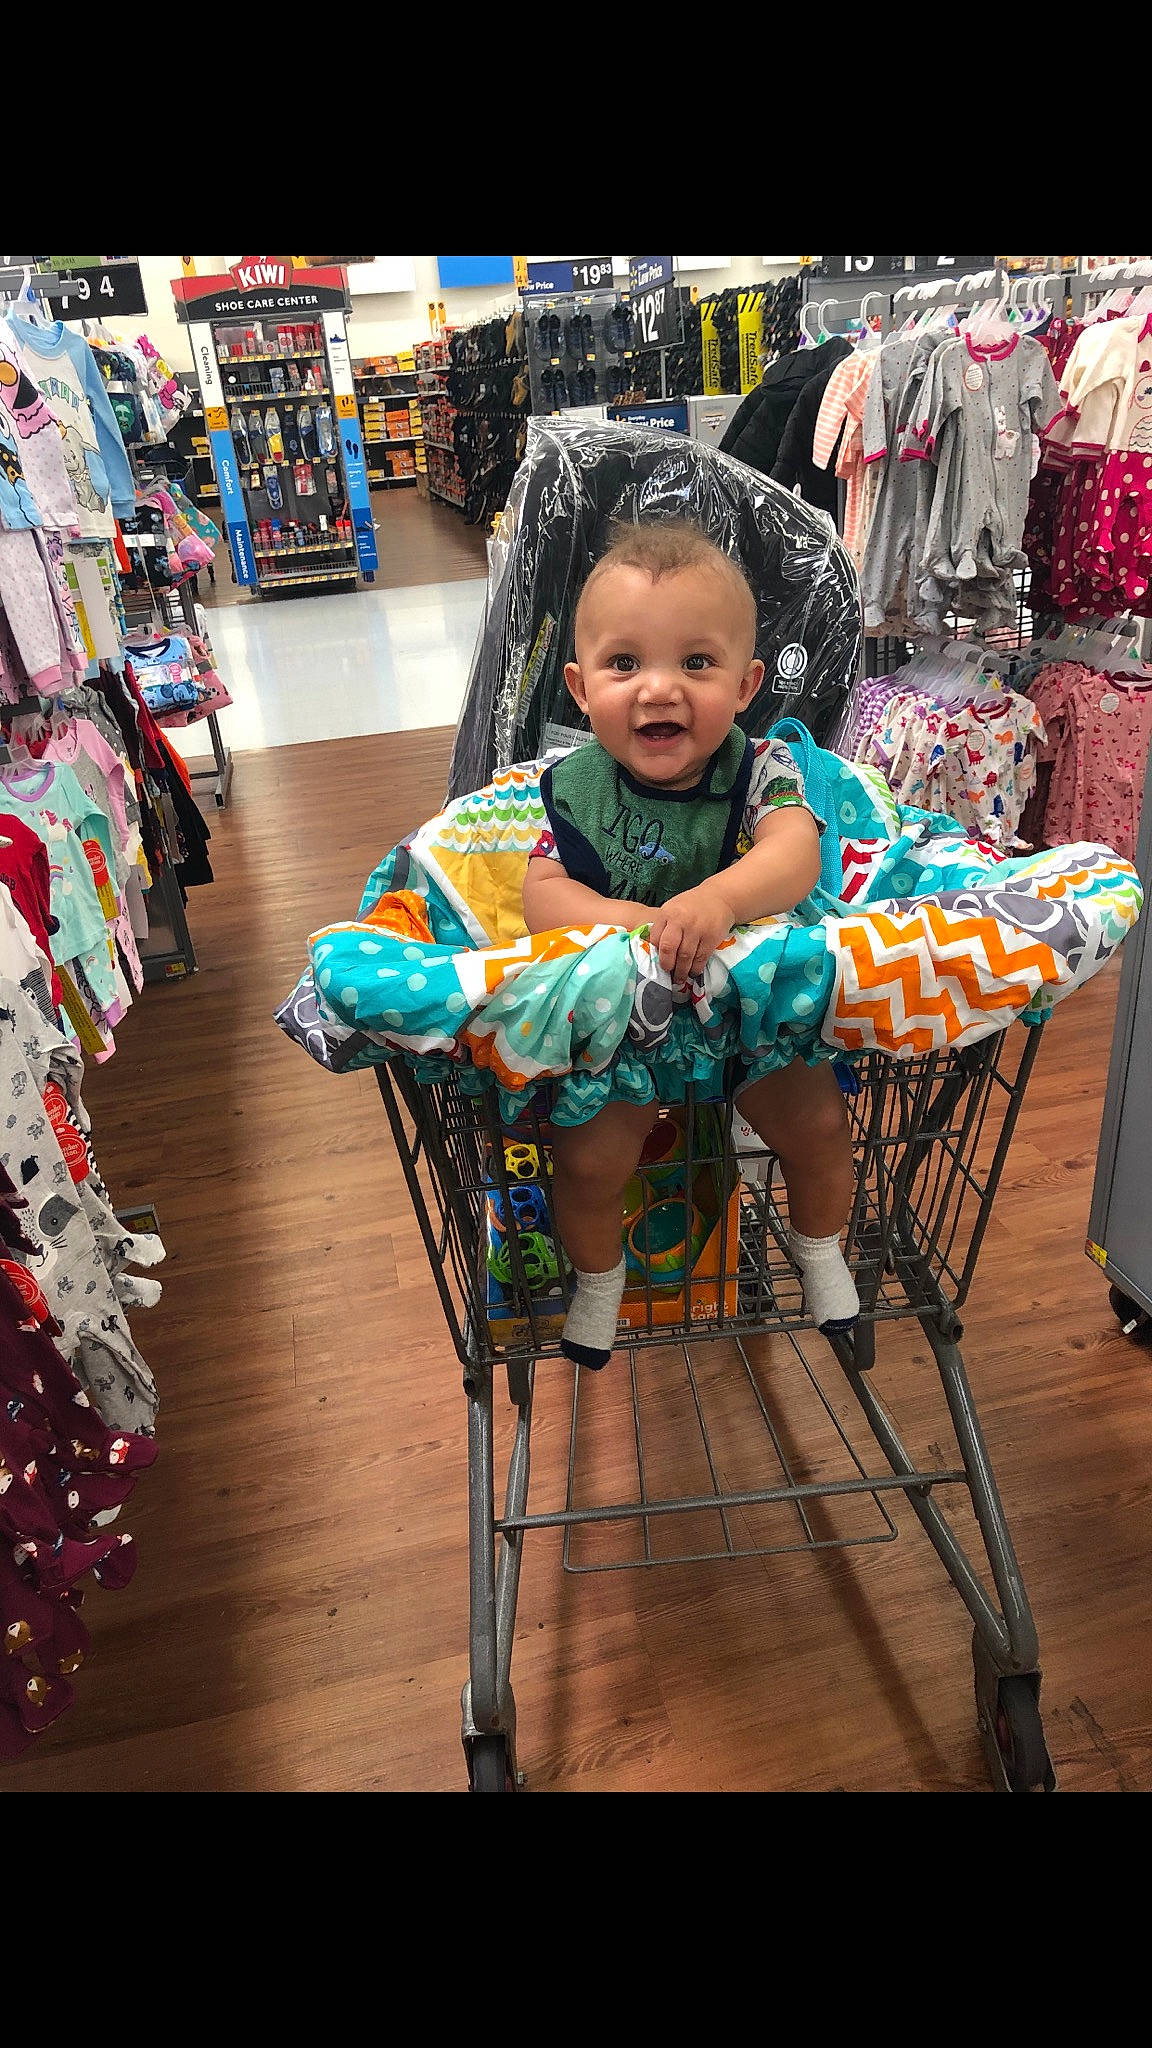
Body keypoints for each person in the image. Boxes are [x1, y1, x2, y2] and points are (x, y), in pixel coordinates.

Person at [522, 517, 859, 1372]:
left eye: (696, 663)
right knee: (590, 1159)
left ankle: (821, 1254)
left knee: (820, 1126)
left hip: (749, 1008)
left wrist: (717, 898)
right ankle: (600, 1282)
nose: (659, 690)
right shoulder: (571, 785)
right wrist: (632, 921)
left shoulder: (762, 768)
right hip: (624, 1023)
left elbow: (794, 853)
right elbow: (542, 896)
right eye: (624, 664)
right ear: (580, 685)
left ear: (747, 684)